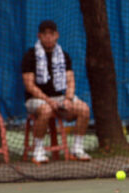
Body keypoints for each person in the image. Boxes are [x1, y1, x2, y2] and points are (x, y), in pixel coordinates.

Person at [21, 20, 92, 164]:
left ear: (57, 35)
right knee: (46, 110)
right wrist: (49, 101)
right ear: (39, 36)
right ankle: (38, 151)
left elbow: (70, 81)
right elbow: (29, 86)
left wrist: (67, 99)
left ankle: (77, 150)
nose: (48, 37)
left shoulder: (63, 56)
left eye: (51, 34)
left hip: (60, 98)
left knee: (84, 109)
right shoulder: (30, 56)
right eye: (44, 34)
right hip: (36, 100)